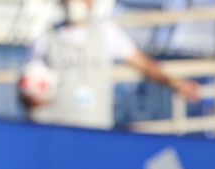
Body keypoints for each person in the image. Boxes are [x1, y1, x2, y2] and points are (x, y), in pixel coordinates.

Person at [21, 0, 201, 129]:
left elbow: (144, 64)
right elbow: (28, 91)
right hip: (57, 129)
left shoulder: (106, 33)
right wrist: (33, 98)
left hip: (95, 129)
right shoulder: (46, 40)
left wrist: (177, 84)